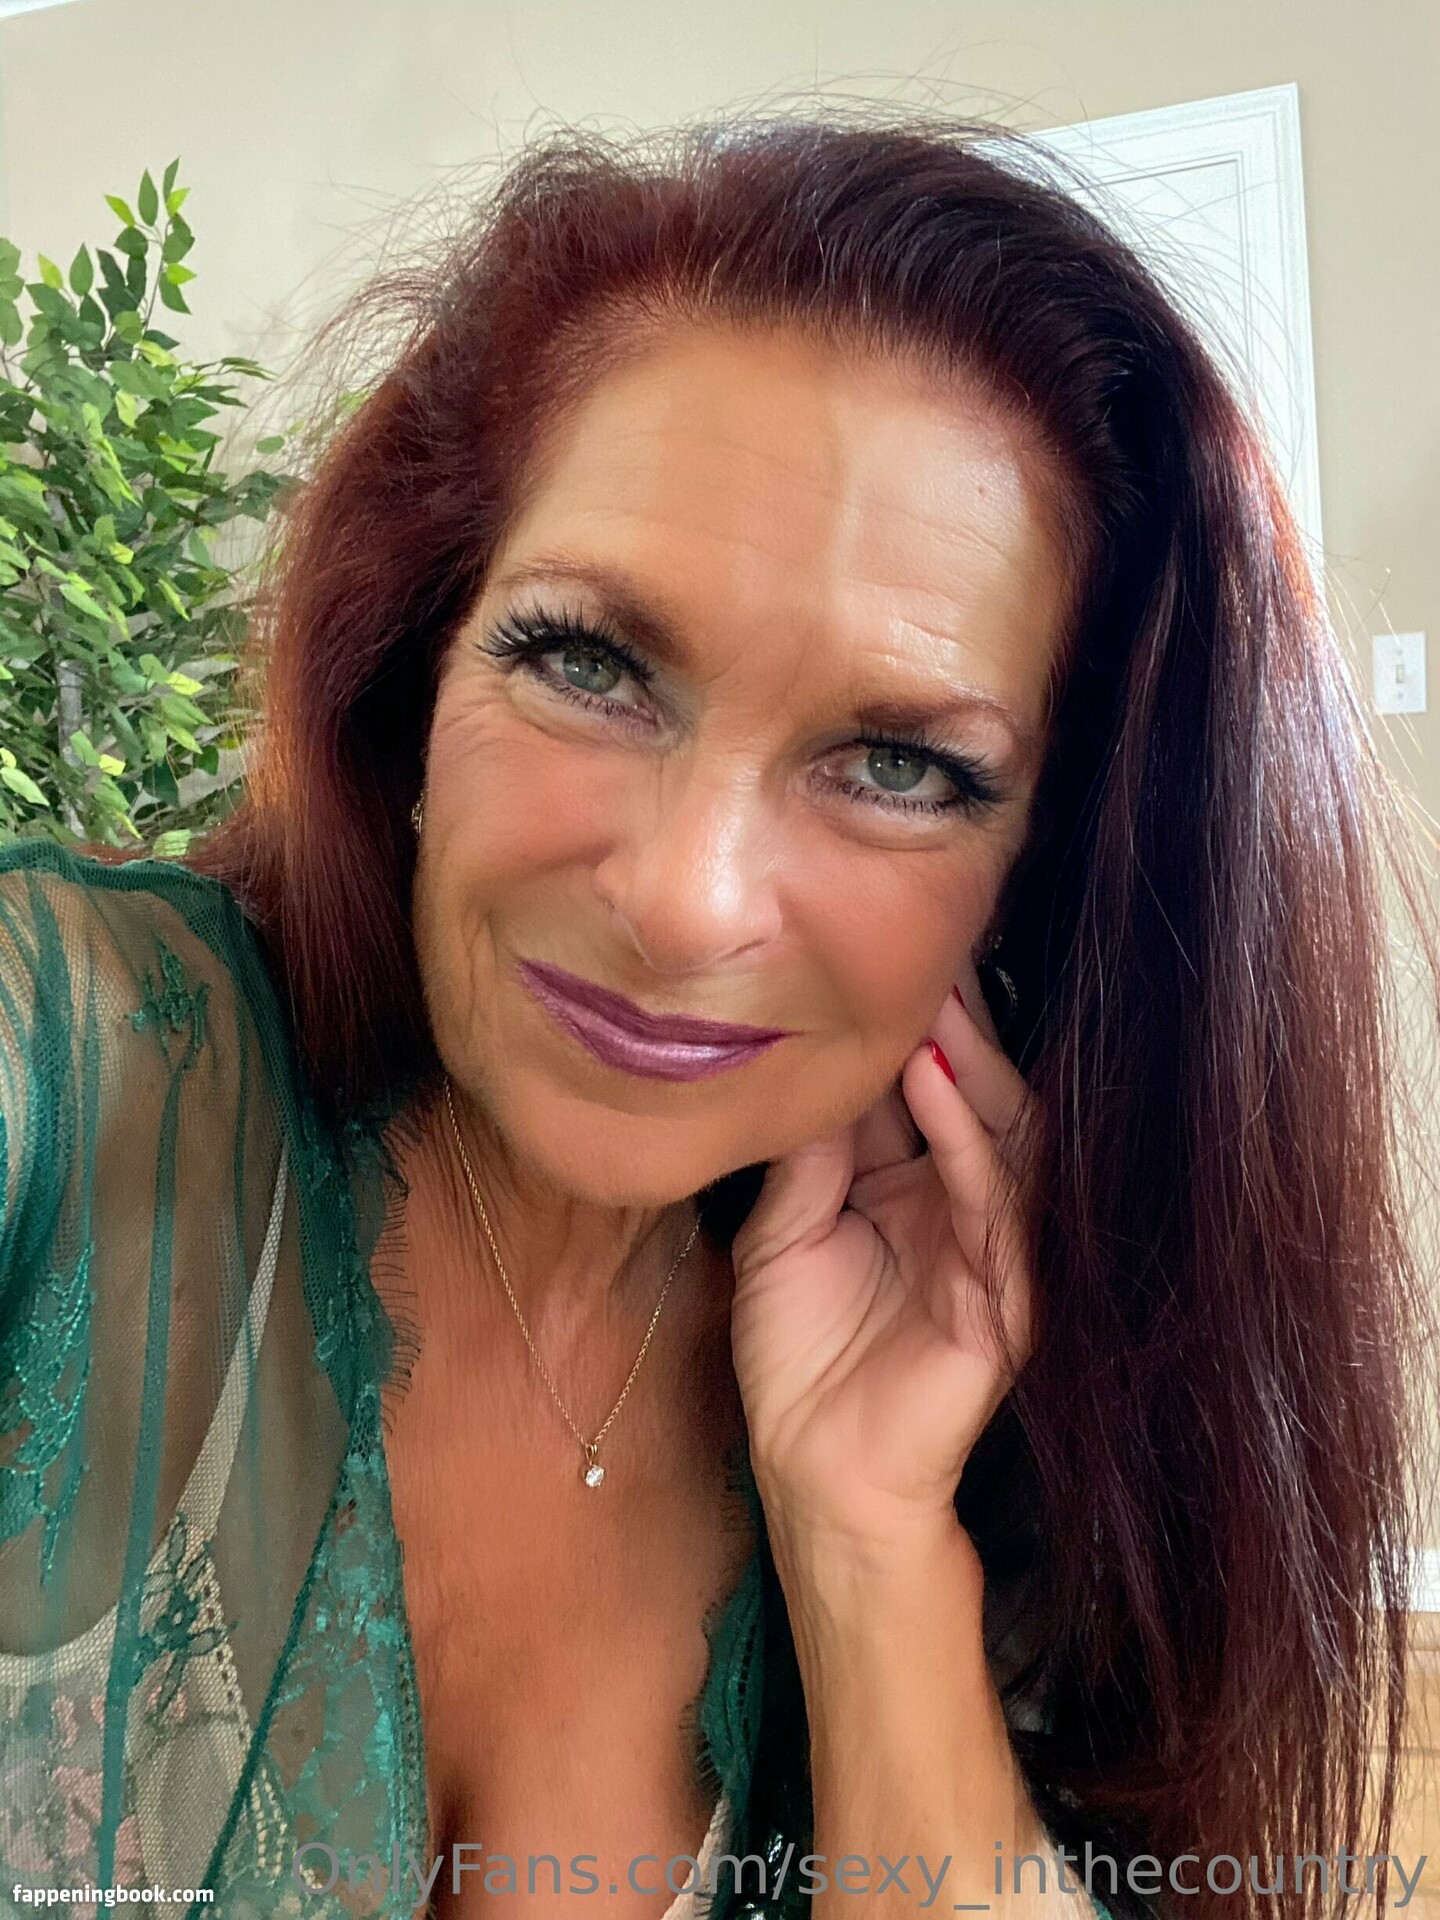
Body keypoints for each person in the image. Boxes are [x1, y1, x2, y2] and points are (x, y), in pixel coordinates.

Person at [1, 110, 1434, 1920]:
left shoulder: (1030, 1410)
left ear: (1038, 879)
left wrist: (867, 1543)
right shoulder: (72, 1058)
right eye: (588, 662)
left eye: (900, 764)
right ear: (415, 665)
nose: (686, 902)